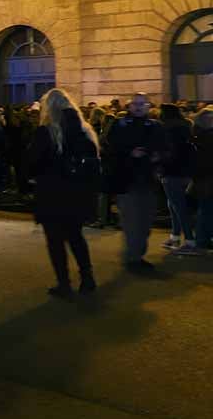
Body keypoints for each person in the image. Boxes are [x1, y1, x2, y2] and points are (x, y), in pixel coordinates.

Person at [25, 89, 99, 298]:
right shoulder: (85, 131)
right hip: (77, 193)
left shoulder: (46, 131)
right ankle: (87, 277)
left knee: (55, 240)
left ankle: (64, 283)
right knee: (76, 236)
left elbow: (33, 162)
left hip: (52, 193)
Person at [106, 93, 164, 273]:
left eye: (142, 104)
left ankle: (137, 253)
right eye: (135, 104)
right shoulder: (119, 124)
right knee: (131, 222)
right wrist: (129, 153)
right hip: (127, 181)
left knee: (145, 223)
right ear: (129, 106)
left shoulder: (155, 126)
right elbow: (109, 147)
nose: (138, 107)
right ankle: (134, 258)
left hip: (148, 180)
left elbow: (166, 147)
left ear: (148, 106)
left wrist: (158, 156)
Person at [157, 103, 197, 254]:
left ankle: (189, 240)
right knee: (173, 204)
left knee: (178, 206)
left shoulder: (166, 129)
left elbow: (167, 152)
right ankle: (174, 236)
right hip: (186, 172)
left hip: (172, 172)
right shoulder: (186, 126)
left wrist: (160, 164)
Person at [192, 107, 213, 250]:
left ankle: (202, 239)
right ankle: (202, 239)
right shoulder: (207, 136)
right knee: (207, 209)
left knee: (205, 208)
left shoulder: (197, 134)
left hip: (202, 177)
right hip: (207, 177)